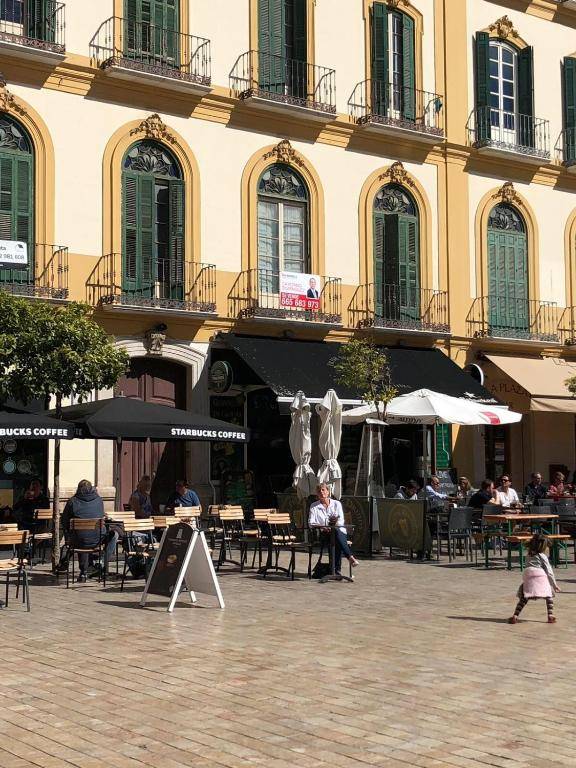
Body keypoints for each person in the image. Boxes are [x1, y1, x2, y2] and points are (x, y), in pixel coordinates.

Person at [61, 480, 118, 582]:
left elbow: (64, 521)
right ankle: (102, 561)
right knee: (114, 535)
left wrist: (69, 534)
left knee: (81, 536)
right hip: (97, 540)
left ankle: (83, 573)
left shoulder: (72, 501)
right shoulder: (99, 500)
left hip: (78, 541)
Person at [509, 534, 560, 624]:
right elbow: (549, 571)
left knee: (524, 597)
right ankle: (550, 616)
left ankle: (515, 616)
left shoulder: (528, 555)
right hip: (539, 575)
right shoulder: (542, 556)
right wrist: (554, 585)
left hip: (528, 575)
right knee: (549, 594)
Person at [309, 483, 358, 574]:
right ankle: (349, 558)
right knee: (335, 536)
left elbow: (341, 521)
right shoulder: (314, 506)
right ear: (317, 494)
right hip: (324, 533)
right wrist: (323, 526)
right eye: (319, 491)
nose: (321, 492)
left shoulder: (337, 504)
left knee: (335, 533)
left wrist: (333, 525)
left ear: (328, 492)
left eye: (323, 490)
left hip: (339, 531)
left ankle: (335, 570)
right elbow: (311, 523)